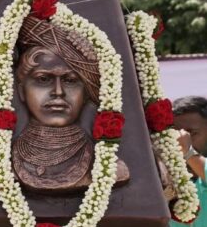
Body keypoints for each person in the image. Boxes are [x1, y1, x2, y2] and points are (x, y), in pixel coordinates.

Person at [11, 15, 129, 193]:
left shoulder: (110, 168)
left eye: (71, 80)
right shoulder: (0, 163)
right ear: (21, 90)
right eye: (43, 79)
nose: (58, 91)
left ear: (86, 94)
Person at [169, 96, 207, 227]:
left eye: (192, 133)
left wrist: (189, 152)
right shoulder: (172, 178)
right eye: (175, 134)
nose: (181, 141)